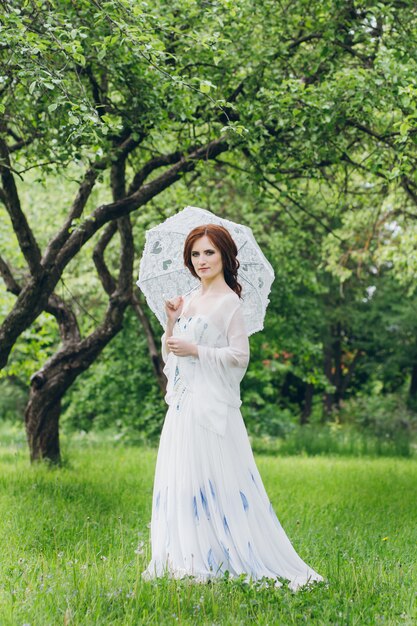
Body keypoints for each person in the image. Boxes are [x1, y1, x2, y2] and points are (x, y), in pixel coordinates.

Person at [141, 224, 323, 591]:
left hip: (212, 408)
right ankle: (187, 557)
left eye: (209, 252)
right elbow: (170, 352)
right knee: (184, 479)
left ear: (224, 255)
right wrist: (172, 320)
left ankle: (224, 555)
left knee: (215, 479)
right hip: (182, 408)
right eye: (195, 254)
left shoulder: (229, 303)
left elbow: (240, 357)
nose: (202, 260)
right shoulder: (187, 298)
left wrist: (197, 351)